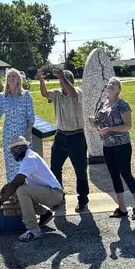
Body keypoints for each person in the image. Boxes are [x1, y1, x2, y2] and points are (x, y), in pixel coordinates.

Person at [89, 77, 135, 220]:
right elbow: (100, 126)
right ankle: (122, 208)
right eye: (109, 84)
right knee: (114, 176)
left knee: (126, 174)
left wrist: (110, 129)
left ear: (119, 90)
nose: (111, 85)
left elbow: (127, 126)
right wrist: (93, 123)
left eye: (114, 84)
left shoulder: (122, 104)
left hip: (122, 145)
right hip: (108, 146)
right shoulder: (103, 104)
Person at [0, 136, 64, 242]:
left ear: (18, 148)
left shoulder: (29, 159)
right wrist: (8, 187)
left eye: (13, 151)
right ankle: (44, 213)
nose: (13, 154)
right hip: (49, 192)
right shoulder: (29, 157)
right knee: (16, 193)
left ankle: (33, 230)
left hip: (54, 194)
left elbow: (16, 184)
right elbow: (17, 183)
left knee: (21, 191)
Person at [38, 68, 90, 212]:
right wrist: (41, 80)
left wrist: (63, 78)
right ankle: (59, 197)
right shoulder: (57, 94)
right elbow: (44, 93)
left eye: (65, 79)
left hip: (77, 137)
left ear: (70, 81)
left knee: (80, 171)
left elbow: (72, 93)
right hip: (60, 136)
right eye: (61, 79)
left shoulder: (78, 92)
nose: (62, 81)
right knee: (55, 169)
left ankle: (83, 200)